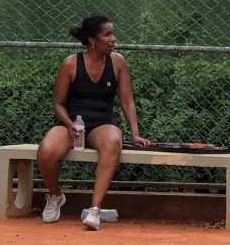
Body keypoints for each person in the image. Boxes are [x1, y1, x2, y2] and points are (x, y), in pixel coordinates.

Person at [37, 13, 150, 230]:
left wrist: (135, 134)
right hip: (71, 126)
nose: (113, 39)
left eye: (113, 34)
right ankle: (55, 196)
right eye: (107, 35)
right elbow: (58, 103)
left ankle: (94, 210)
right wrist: (70, 124)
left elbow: (127, 101)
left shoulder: (117, 62)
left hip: (101, 126)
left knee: (113, 140)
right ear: (92, 40)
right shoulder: (70, 64)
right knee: (46, 151)